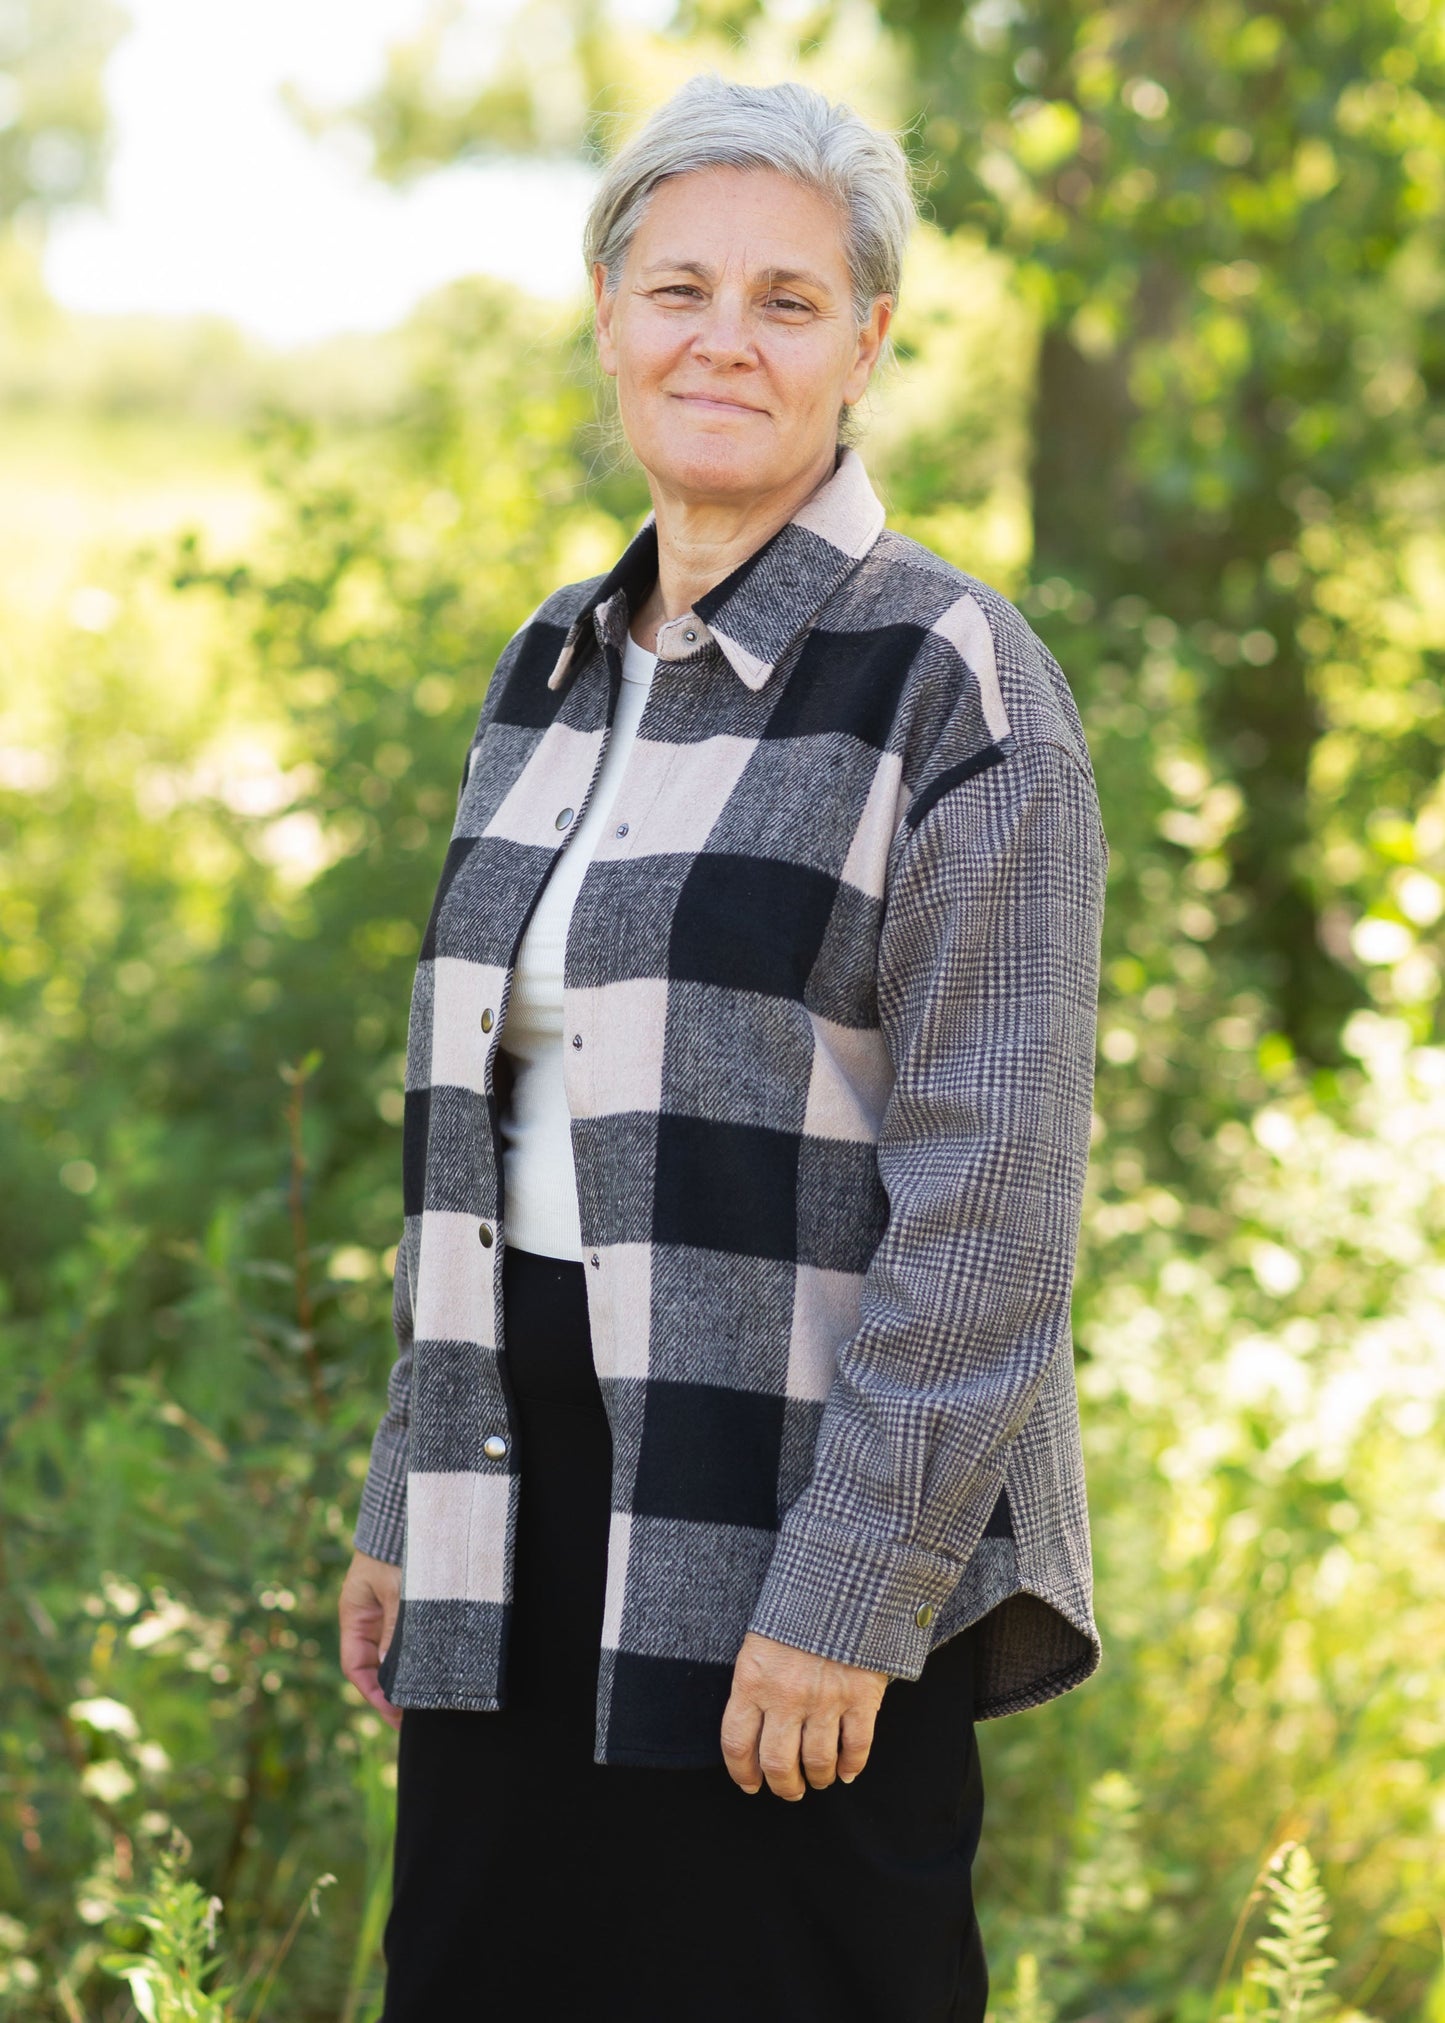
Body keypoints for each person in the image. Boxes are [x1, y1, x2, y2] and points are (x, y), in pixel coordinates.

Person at [338, 72, 1108, 2023]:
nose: (723, 339)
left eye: (786, 298)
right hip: (515, 1488)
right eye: (679, 287)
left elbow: (994, 1213)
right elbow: (485, 1128)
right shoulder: (554, 664)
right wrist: (403, 1495)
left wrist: (848, 1595)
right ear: (608, 314)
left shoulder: (955, 679)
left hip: (790, 1493)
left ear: (869, 342)